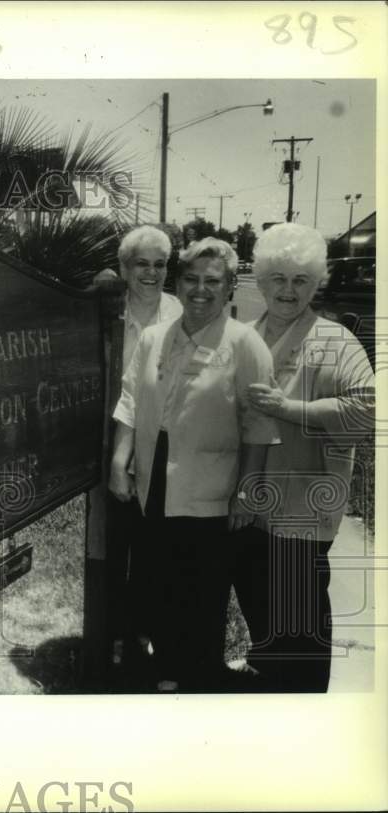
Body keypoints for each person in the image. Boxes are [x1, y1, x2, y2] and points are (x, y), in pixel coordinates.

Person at [109, 237, 280, 692]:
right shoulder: (153, 337)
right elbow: (130, 399)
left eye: (212, 281)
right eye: (191, 279)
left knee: (201, 588)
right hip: (154, 476)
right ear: (178, 283)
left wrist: (247, 490)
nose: (200, 290)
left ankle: (199, 677)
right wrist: (119, 459)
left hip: (210, 486)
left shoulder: (246, 345)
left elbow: (258, 425)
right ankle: (166, 669)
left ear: (229, 289)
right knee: (157, 577)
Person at [235, 222, 375, 692]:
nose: (288, 290)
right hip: (248, 511)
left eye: (300, 280)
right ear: (261, 280)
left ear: (316, 284)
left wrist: (289, 409)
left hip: (301, 514)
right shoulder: (243, 336)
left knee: (299, 631)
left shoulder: (335, 340)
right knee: (261, 615)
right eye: (278, 278)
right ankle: (265, 685)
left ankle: (305, 713)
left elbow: (367, 411)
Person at [105, 226, 183, 682]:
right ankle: (115, 633)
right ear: (124, 268)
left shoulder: (179, 313)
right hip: (113, 437)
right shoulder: (108, 309)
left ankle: (145, 631)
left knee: (154, 547)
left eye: (159, 264)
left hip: (162, 444)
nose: (151, 273)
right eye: (141, 264)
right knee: (115, 545)